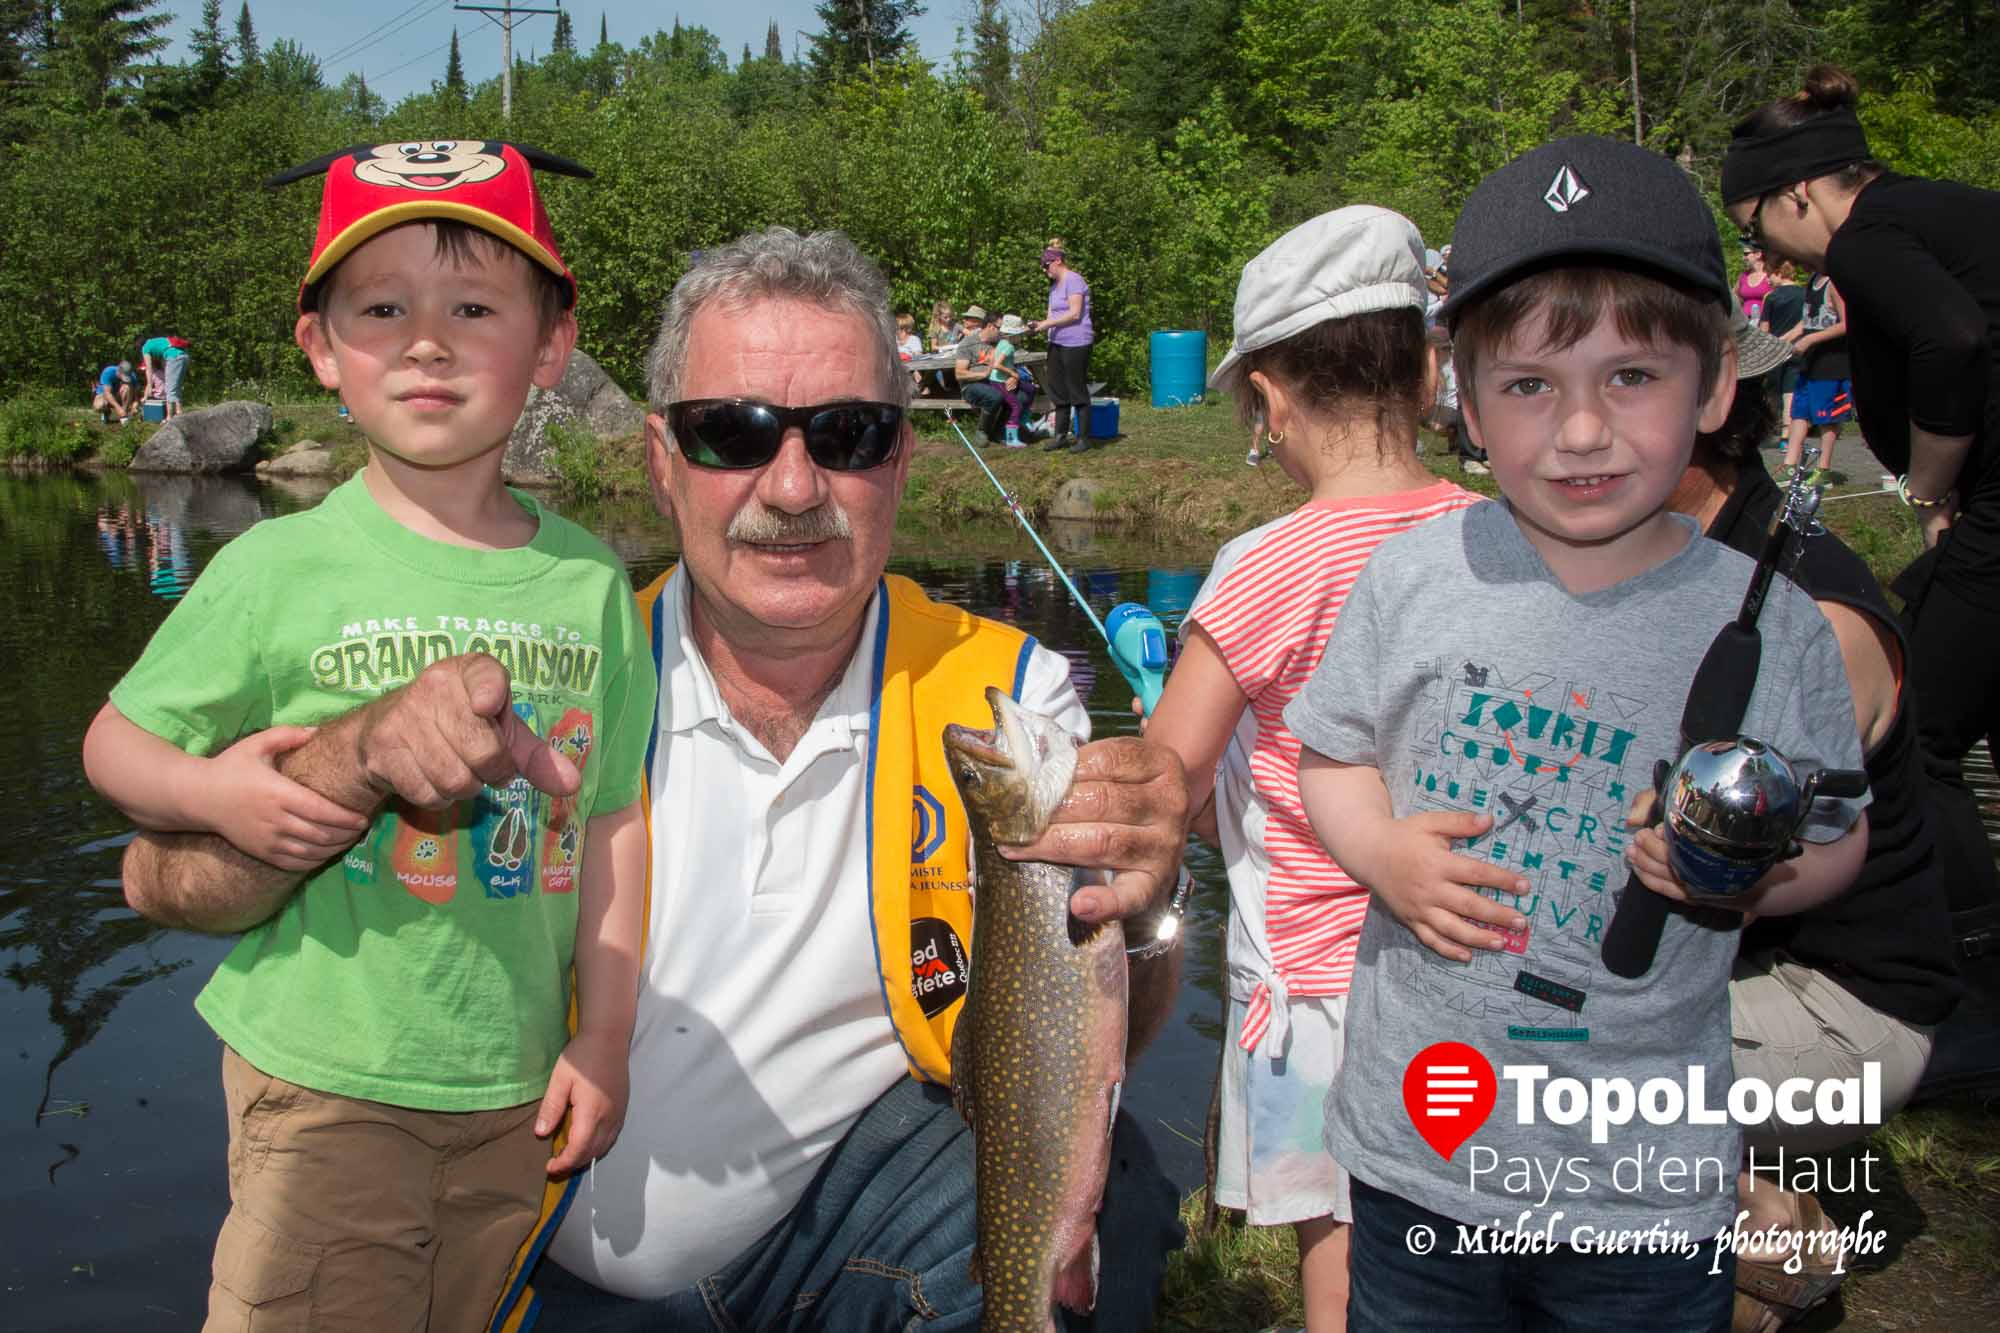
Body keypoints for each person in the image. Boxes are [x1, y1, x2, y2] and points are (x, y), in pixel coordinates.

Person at [485, 226, 1189, 1330]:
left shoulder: (1009, 694)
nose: (795, 484)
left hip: (859, 1230)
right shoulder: (551, 694)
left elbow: (1077, 1047)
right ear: (659, 461)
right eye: (733, 432)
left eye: (848, 434)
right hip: (550, 1270)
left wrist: (1145, 908)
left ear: (900, 460)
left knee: (1115, 1181)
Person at [1287, 137, 1870, 1330]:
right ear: (1463, 397)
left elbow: (1837, 836)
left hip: (1642, 1182)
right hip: (1417, 1154)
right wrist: (1382, 856)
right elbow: (1330, 756)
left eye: (1632, 377)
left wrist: (1742, 869)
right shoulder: (1408, 577)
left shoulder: (1776, 624)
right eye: (1531, 385)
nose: (1581, 431)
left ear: (1711, 387)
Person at [84, 141, 654, 1331]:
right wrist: (210, 796)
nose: (427, 342)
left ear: (551, 346)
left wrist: (602, 1034)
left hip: (515, 1085)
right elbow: (111, 747)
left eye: (475, 307)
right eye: (382, 308)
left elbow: (610, 821)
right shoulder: (273, 568)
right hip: (324, 1085)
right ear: (323, 353)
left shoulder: (592, 583)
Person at [1146, 205, 1481, 1333]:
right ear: (1425, 368)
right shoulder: (1494, 537)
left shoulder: (1262, 564)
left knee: (1338, 1248)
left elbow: (1164, 781)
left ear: (1270, 400)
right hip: (1468, 965)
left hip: (1311, 989)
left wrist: (1194, 790)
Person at [1670, 308, 1962, 1330]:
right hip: (1749, 963)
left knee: (1552, 1069)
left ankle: (1772, 1264)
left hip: (1846, 1001)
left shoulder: (1806, 614)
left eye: (1623, 394)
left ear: (1705, 413)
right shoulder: (1689, 561)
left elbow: (1714, 892)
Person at [1723, 63, 2000, 941]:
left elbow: (1952, 340)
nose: (1761, 256)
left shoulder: (1868, 237)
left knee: (1916, 729)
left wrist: (1930, 476)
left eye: (1755, 228)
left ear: (1797, 192)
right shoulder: (1937, 209)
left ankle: (1963, 947)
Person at [1783, 269, 1850, 475]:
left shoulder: (1834, 284)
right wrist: (1783, 340)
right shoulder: (1813, 280)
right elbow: (1807, 320)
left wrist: (1810, 339)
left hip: (1832, 363)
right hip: (1809, 363)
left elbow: (1846, 324)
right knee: (1799, 413)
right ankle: (1789, 464)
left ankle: (1823, 468)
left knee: (1826, 418)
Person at [1033, 239, 1096, 454]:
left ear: (1057, 261)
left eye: (1046, 265)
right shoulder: (1054, 287)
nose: (1044, 270)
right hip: (1056, 342)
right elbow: (1052, 315)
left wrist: (1047, 324)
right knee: (1057, 389)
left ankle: (1084, 437)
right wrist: (1038, 326)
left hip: (1077, 342)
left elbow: (1075, 313)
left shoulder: (1074, 280)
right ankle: (1060, 435)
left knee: (1076, 389)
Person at [952, 303, 1011, 444]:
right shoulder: (968, 343)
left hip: (996, 381)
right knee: (994, 396)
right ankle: (983, 431)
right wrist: (984, 374)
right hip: (972, 385)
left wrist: (1013, 376)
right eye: (999, 328)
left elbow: (1012, 359)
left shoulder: (1000, 341)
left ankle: (998, 431)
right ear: (990, 326)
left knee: (1020, 393)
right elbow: (959, 374)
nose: (1001, 332)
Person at [1760, 262, 1806, 426]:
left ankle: (1772, 426)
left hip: (1774, 349)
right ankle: (1787, 431)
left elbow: (1764, 328)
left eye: (1770, 274)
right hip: (1797, 347)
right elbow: (1805, 323)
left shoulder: (1771, 297)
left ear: (1779, 273)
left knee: (1773, 390)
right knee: (1790, 391)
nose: (1767, 279)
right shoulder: (1804, 294)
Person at [992, 312, 1034, 446]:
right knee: (1016, 405)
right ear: (1013, 335)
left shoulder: (1002, 342)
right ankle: (1011, 438)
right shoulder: (1009, 347)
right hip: (999, 381)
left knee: (1031, 388)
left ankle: (1024, 418)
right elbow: (997, 365)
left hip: (1004, 377)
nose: (1021, 337)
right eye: (1020, 335)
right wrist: (1013, 374)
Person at [139, 334, 191, 418]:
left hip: (174, 358)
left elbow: (149, 368)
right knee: (177, 387)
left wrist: (149, 385)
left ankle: (169, 418)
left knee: (169, 389)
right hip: (184, 356)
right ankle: (179, 412)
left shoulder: (145, 347)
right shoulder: (158, 340)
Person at [1737, 245, 1775, 323]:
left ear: (1758, 254)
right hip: (1744, 323)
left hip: (1764, 323)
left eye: (1746, 254)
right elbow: (1734, 298)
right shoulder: (1743, 276)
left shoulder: (1771, 276)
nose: (1743, 258)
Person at [93, 359, 138, 424]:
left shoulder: (132, 376)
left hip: (119, 396)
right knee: (99, 405)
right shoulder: (108, 372)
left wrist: (135, 405)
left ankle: (123, 416)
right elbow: (107, 394)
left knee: (127, 388)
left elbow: (136, 396)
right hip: (105, 395)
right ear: (119, 371)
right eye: (124, 376)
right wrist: (118, 408)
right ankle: (106, 412)